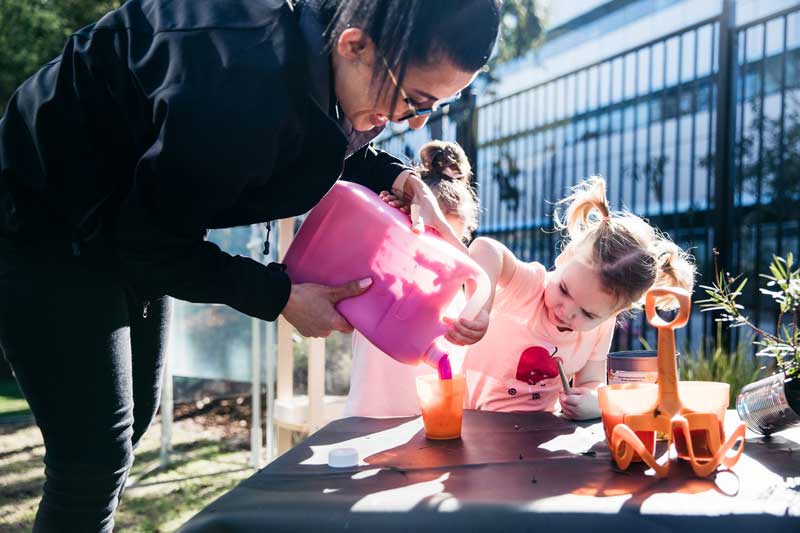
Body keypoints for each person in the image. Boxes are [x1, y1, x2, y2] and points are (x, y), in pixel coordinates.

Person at [0, 0, 501, 530]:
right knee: (93, 454)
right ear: (355, 45)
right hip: (43, 220)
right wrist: (280, 296)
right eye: (412, 100)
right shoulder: (238, 83)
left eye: (434, 108)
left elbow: (313, 133)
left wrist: (403, 180)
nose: (414, 121)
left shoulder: (314, 49)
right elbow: (151, 242)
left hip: (135, 214)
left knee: (130, 422)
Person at [463, 176, 695, 419]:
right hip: (472, 421)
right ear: (565, 256)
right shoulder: (529, 287)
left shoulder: (601, 328)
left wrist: (593, 403)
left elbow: (592, 380)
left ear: (615, 313)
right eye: (564, 289)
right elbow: (485, 248)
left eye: (588, 313)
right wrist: (480, 308)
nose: (567, 311)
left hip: (537, 434)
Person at [344, 140, 479, 417]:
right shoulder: (385, 274)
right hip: (369, 420)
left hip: (432, 423)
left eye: (452, 241)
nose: (437, 256)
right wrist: (384, 223)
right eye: (432, 237)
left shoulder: (456, 295)